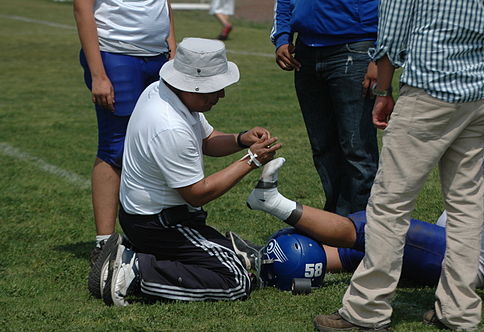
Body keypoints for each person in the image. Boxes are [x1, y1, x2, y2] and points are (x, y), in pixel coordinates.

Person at [312, 0, 484, 330]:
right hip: (480, 92)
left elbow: (393, 29)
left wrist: (383, 88)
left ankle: (366, 310)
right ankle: (460, 311)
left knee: (389, 204)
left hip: (430, 87)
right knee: (466, 207)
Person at [93, 38, 282, 307]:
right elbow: (197, 194)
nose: (221, 95)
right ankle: (134, 271)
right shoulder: (169, 124)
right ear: (192, 85)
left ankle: (221, 249)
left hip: (150, 217)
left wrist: (241, 139)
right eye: (214, 89)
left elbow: (207, 140)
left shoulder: (164, 92)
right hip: (159, 224)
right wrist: (251, 160)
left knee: (231, 263)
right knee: (237, 281)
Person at [244, 138, 484, 288]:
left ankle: (271, 201)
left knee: (376, 226)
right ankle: (256, 258)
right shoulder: (483, 141)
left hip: (468, 262)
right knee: (359, 253)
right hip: (455, 246)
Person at [73, 0, 176, 271]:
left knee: (159, 141)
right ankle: (104, 243)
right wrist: (98, 74)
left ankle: (154, 234)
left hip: (157, 56)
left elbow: (163, 3)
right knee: (115, 147)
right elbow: (82, 7)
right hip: (115, 54)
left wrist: (172, 47)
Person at [270, 0, 379, 216]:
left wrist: (379, 55)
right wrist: (282, 36)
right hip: (306, 52)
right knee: (323, 148)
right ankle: (336, 220)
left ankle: (358, 227)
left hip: (356, 48)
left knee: (357, 149)